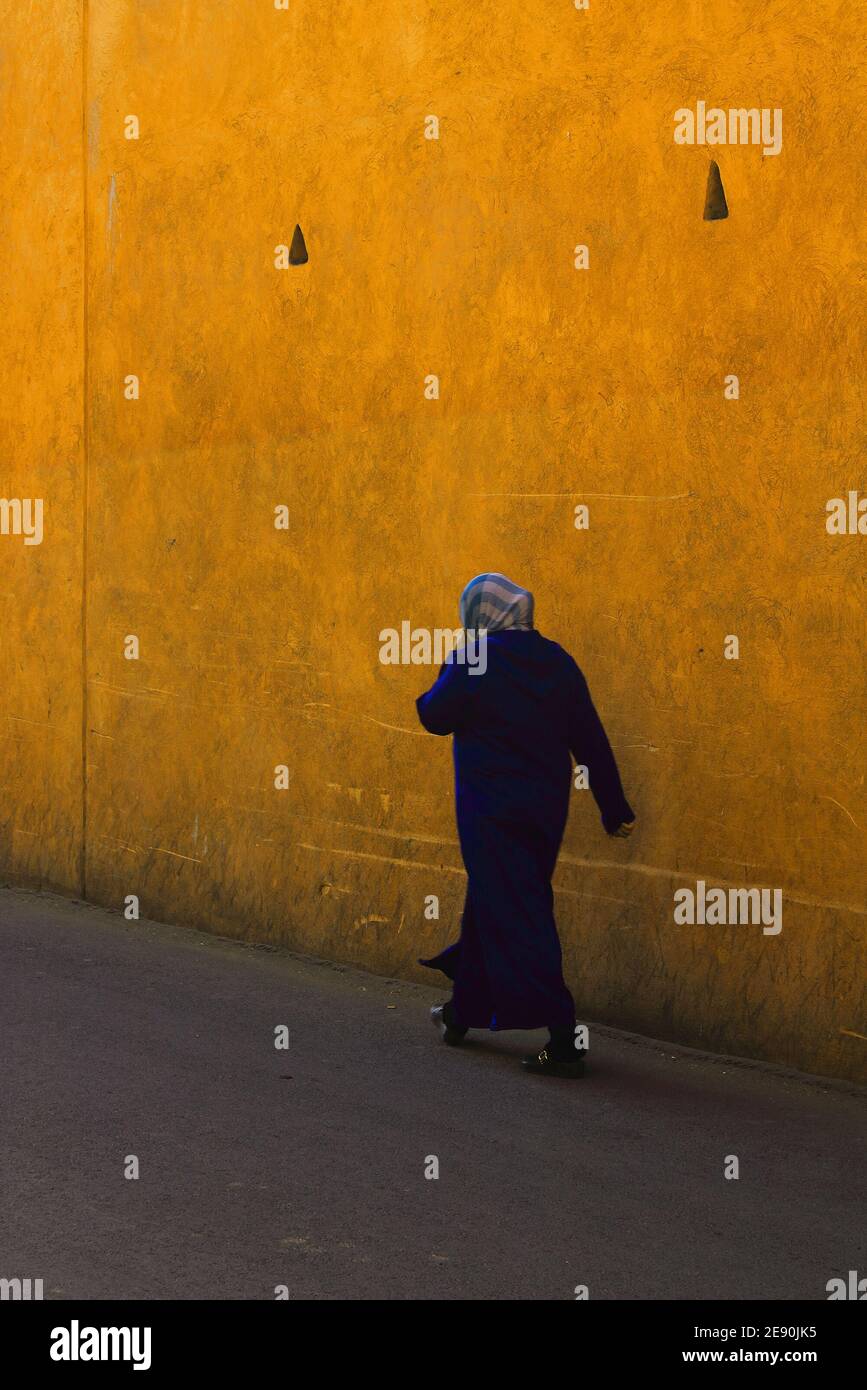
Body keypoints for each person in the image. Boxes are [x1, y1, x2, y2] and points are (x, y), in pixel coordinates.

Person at [416, 573, 635, 1079]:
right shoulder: (557, 661)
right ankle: (461, 1012)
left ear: (480, 614)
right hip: (544, 813)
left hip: (489, 812)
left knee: (520, 911)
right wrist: (613, 806)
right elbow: (590, 737)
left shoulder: (475, 658)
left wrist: (453, 663)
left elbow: (434, 715)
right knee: (502, 900)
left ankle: (563, 1036)